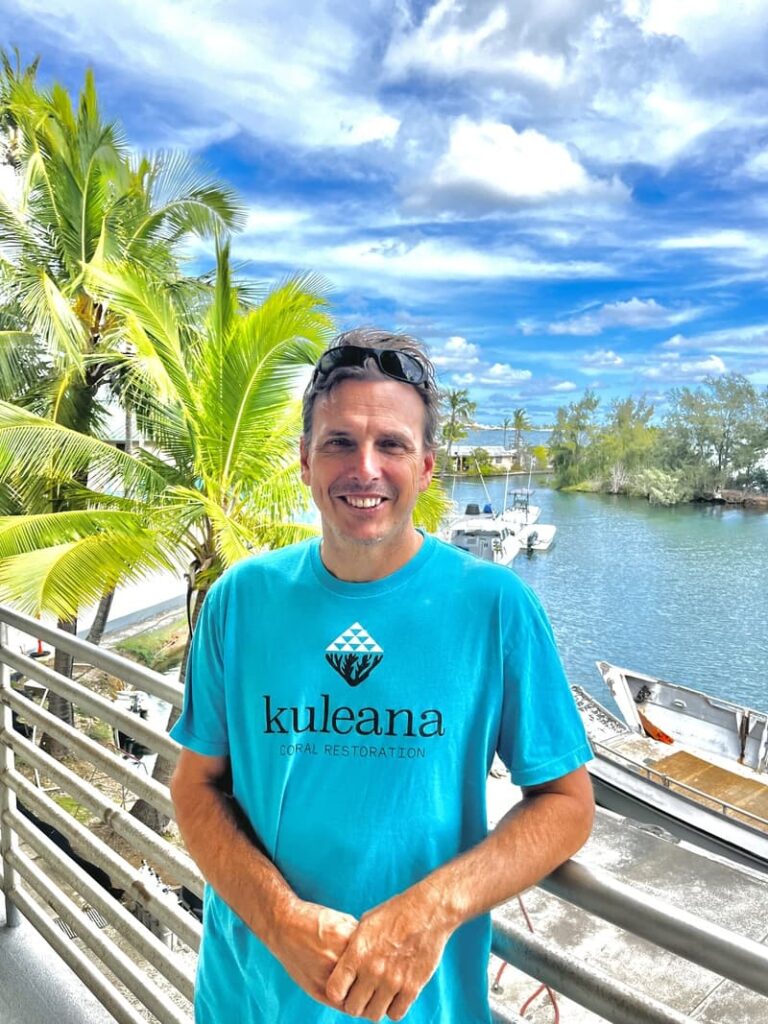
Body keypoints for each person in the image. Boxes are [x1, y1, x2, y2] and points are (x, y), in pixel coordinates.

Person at [169, 328, 594, 1024]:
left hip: (418, 1008)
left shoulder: (494, 607)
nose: (364, 467)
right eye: (339, 442)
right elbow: (195, 786)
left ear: (426, 468)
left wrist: (430, 911)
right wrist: (280, 922)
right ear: (304, 460)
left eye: (391, 444)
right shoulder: (240, 600)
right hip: (246, 999)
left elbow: (567, 804)